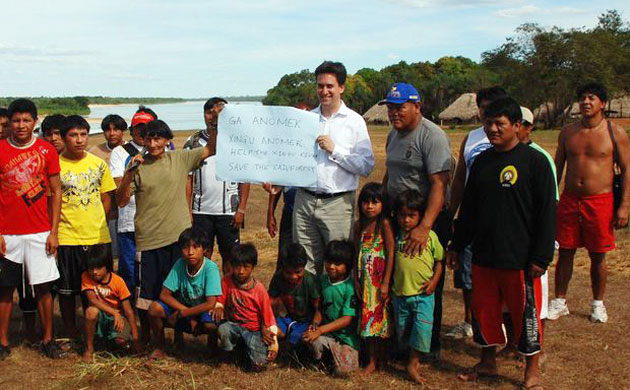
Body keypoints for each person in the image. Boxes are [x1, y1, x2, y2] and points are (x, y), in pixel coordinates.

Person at [446, 97, 556, 389]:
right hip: (484, 255)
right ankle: (487, 361)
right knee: (485, 312)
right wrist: (456, 245)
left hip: (520, 258)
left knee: (525, 316)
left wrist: (541, 257)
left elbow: (547, 214)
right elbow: (469, 209)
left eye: (500, 124)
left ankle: (530, 371)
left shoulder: (535, 162)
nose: (493, 129)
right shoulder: (481, 162)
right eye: (488, 123)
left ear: (518, 126)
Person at [117, 119, 218, 343]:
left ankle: (179, 339)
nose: (153, 144)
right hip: (149, 240)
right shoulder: (137, 167)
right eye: (149, 138)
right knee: (146, 296)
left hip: (178, 240)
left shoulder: (180, 158)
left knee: (176, 293)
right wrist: (128, 174)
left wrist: (214, 126)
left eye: (158, 138)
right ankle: (151, 339)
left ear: (167, 140)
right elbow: (121, 201)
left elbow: (212, 148)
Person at [381, 82, 451, 359]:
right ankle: (403, 341)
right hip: (401, 218)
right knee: (402, 280)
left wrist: (425, 227)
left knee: (427, 285)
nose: (394, 113)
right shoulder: (392, 135)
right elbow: (390, 175)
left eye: (400, 107)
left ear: (417, 106)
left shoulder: (432, 136)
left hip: (427, 221)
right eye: (390, 108)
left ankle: (428, 345)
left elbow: (439, 184)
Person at [550, 82, 630, 323]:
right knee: (565, 250)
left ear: (602, 104)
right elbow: (558, 167)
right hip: (570, 200)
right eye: (582, 97)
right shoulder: (568, 132)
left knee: (598, 254)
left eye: (592, 98)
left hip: (601, 200)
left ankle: (597, 304)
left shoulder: (614, 133)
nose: (586, 102)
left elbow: (627, 170)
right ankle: (560, 301)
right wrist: (552, 198)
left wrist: (624, 205)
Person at [293, 61, 374, 276]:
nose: (324, 91)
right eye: (320, 86)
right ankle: (311, 310)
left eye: (330, 86)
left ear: (341, 87)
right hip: (305, 201)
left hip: (337, 204)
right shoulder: (306, 119)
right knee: (305, 266)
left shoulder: (354, 122)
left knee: (338, 266)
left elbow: (366, 166)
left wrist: (335, 150)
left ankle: (337, 310)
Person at [0, 98, 63, 359]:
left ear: (35, 122)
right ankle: (3, 342)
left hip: (39, 231)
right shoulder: (1, 149)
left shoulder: (47, 150)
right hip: (7, 233)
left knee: (44, 287)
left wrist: (54, 231)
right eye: (16, 120)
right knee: (4, 289)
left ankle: (48, 338)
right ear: (10, 123)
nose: (21, 125)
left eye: (27, 120)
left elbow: (56, 191)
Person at [446, 86, 508, 340]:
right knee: (468, 273)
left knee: (501, 274)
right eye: (482, 107)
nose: (486, 112)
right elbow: (460, 177)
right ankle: (469, 320)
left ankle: (504, 323)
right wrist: (451, 213)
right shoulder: (471, 138)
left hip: (502, 219)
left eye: (491, 105)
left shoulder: (508, 136)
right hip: (472, 216)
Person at [56, 115, 117, 340]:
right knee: (67, 290)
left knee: (100, 288)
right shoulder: (55, 165)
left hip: (98, 237)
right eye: (73, 135)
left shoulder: (98, 164)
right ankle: (71, 332)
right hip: (67, 237)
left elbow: (106, 197)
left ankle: (102, 332)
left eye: (83, 134)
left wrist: (101, 222)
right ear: (63, 138)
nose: (79, 140)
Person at [184, 97, 250, 271]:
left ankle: (228, 294)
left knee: (230, 256)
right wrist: (188, 210)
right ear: (204, 115)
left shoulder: (238, 141)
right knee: (202, 255)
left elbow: (245, 178)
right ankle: (205, 293)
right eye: (209, 112)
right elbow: (187, 179)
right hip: (201, 212)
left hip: (229, 212)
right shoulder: (193, 142)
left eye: (219, 112)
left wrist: (241, 209)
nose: (213, 116)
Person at [392, 189, 444, 384]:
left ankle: (413, 363)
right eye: (402, 215)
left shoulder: (429, 237)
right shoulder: (395, 237)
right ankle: (406, 356)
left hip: (423, 295)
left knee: (422, 330)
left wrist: (434, 281)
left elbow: (439, 261)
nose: (406, 220)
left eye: (411, 216)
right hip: (400, 294)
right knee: (403, 329)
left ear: (421, 216)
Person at [147, 227, 222, 360]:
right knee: (154, 309)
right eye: (186, 248)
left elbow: (211, 303)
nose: (190, 252)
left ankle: (213, 347)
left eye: (195, 247)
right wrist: (185, 312)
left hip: (202, 310)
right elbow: (164, 294)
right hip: (184, 307)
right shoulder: (180, 264)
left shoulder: (210, 268)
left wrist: (184, 314)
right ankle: (160, 347)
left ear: (204, 249)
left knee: (211, 324)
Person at [109, 107, 155, 296]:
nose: (142, 132)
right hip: (128, 221)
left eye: (147, 127)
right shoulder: (121, 152)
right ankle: (127, 305)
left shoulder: (163, 148)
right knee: (128, 267)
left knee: (151, 265)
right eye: (138, 128)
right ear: (132, 130)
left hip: (155, 220)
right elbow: (118, 184)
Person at [214, 243, 278, 371]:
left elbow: (268, 316)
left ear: (253, 267)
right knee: (223, 329)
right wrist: (219, 307)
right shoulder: (227, 281)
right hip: (234, 325)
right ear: (232, 266)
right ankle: (229, 353)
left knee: (259, 365)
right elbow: (220, 299)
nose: (241, 271)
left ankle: (245, 351)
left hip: (254, 330)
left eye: (246, 267)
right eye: (237, 266)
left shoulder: (259, 290)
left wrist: (274, 344)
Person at [352, 182, 394, 375]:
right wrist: (355, 279)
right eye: (366, 202)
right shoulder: (359, 225)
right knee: (367, 322)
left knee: (381, 323)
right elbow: (355, 253)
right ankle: (371, 359)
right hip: (365, 282)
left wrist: (386, 282)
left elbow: (391, 253)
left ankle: (381, 359)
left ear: (383, 204)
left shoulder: (383, 225)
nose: (369, 206)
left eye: (375, 202)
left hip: (379, 283)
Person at [303, 240, 359, 377]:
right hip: (327, 336)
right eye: (328, 262)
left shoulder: (350, 288)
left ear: (348, 266)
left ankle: (333, 361)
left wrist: (321, 330)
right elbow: (320, 309)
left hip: (347, 340)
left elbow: (346, 319)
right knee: (309, 339)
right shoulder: (322, 281)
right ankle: (324, 360)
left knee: (343, 367)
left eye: (337, 264)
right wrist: (315, 325)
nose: (331, 267)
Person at [81, 245, 140, 363]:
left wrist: (135, 338)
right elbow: (92, 300)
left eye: (98, 268)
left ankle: (112, 342)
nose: (94, 272)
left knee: (120, 341)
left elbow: (128, 311)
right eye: (91, 268)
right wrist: (113, 312)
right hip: (102, 315)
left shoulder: (118, 281)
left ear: (107, 266)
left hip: (117, 317)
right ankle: (89, 347)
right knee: (91, 311)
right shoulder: (86, 276)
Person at [268, 242, 321, 348]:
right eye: (288, 272)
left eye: (298, 272)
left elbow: (319, 308)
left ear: (304, 267)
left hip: (307, 321)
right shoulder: (278, 278)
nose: (293, 277)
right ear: (282, 268)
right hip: (288, 319)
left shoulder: (310, 280)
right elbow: (270, 302)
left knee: (299, 339)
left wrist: (315, 324)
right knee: (272, 331)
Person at [89, 114, 127, 260]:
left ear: (123, 130)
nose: (112, 133)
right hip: (102, 208)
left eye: (116, 129)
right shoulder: (94, 152)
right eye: (108, 130)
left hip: (124, 208)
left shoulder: (129, 150)